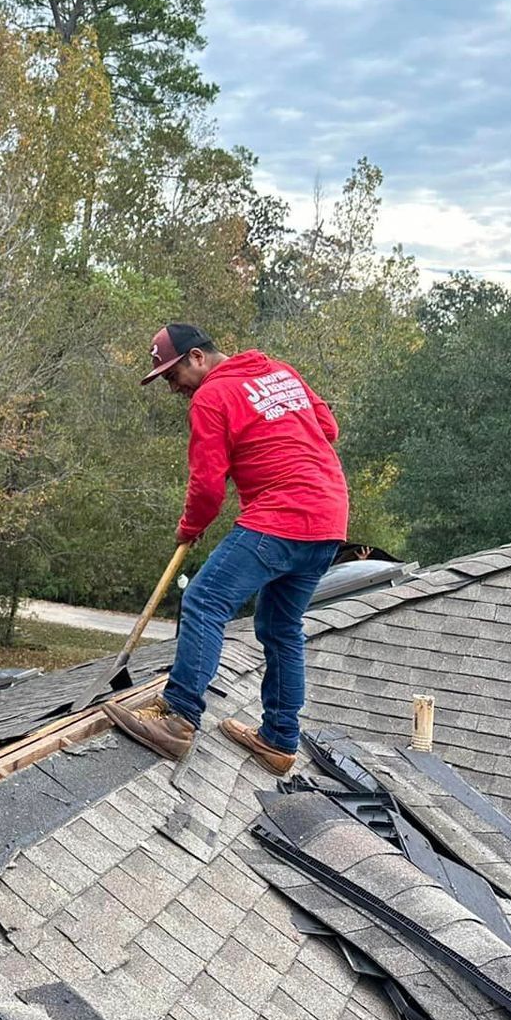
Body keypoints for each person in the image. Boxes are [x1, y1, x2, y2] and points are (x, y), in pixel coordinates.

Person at [109, 324, 347, 777]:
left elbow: (206, 488)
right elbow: (328, 429)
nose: (172, 386)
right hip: (328, 520)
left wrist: (189, 528)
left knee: (203, 599)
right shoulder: (280, 372)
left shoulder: (211, 398)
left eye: (172, 374)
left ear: (197, 357)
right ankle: (279, 739)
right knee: (280, 626)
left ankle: (178, 717)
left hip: (282, 516)